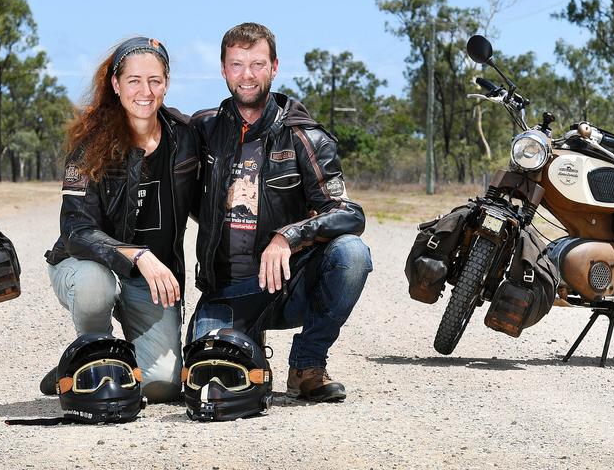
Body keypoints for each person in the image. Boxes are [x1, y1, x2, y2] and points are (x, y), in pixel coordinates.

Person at [189, 22, 370, 402]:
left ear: (274, 67)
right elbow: (150, 129)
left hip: (288, 285)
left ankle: (307, 365)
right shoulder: (203, 130)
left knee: (352, 254)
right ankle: (247, 340)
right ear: (223, 70)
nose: (247, 75)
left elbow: (349, 213)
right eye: (237, 65)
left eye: (257, 64)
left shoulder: (305, 136)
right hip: (227, 289)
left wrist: (288, 236)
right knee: (201, 383)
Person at [42, 37, 200, 402]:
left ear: (167, 83)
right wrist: (139, 255)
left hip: (152, 281)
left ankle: (95, 364)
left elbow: (213, 204)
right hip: (87, 265)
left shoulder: (187, 138)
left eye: (154, 80)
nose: (145, 91)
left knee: (163, 384)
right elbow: (77, 232)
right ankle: (89, 357)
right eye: (134, 80)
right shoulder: (89, 145)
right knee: (95, 284)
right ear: (116, 84)